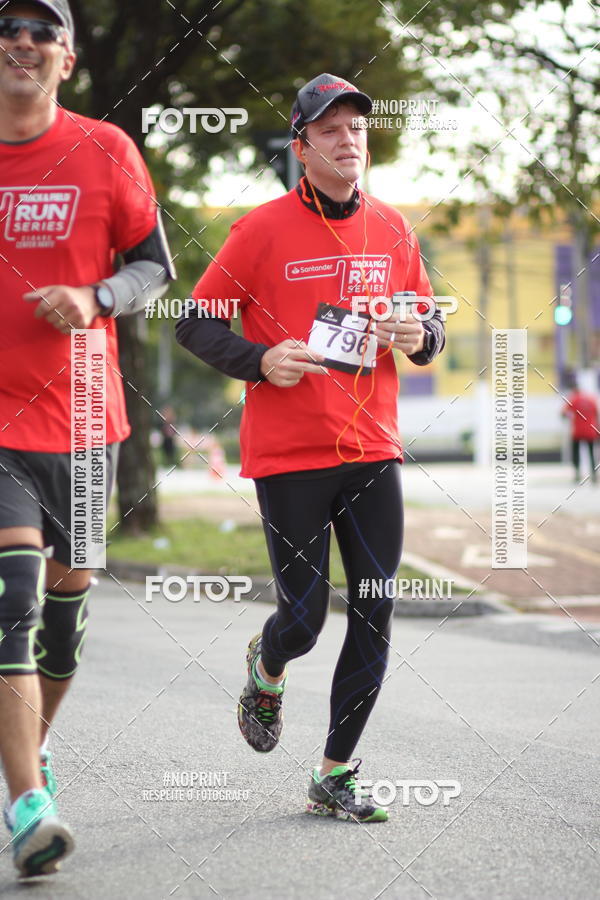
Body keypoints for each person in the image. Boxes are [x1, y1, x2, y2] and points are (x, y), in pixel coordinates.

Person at [176, 72, 445, 823]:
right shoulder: (258, 230)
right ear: (301, 146)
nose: (348, 138)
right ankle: (267, 667)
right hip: (290, 454)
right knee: (304, 617)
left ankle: (334, 772)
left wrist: (420, 334)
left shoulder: (393, 227)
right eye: (330, 128)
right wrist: (259, 358)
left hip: (371, 449)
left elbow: (430, 328)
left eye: (356, 126)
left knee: (376, 604)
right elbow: (195, 324)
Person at [0, 0, 174, 877]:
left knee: (64, 625)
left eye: (41, 33)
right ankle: (30, 805)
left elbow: (153, 268)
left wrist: (96, 298)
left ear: (65, 58)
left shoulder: (107, 151)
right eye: (7, 28)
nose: (22, 43)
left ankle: (26, 757)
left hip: (83, 415)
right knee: (14, 603)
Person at [562, 377, 599, 483]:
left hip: (577, 432)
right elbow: (597, 414)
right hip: (590, 431)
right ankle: (594, 475)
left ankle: (577, 473)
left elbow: (563, 413)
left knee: (576, 453)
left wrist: (569, 416)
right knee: (592, 453)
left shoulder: (574, 399)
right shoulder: (591, 399)